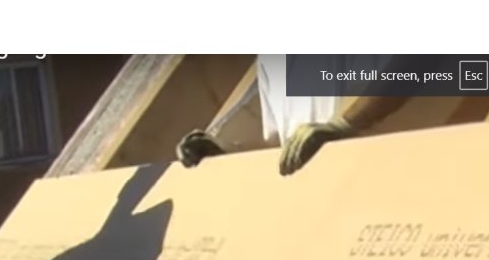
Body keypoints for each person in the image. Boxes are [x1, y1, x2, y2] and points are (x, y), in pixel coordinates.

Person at [176, 54, 411, 175]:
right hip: (323, 201)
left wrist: (344, 124)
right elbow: (274, 136)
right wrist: (222, 151)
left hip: (390, 177)